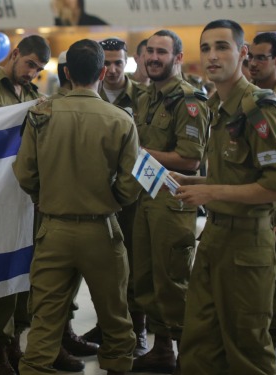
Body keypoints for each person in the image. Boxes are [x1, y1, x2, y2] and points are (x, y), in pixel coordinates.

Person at [13, 38, 140, 375]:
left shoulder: (40, 113)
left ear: (66, 72)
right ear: (102, 71)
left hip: (53, 229)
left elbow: (24, 172)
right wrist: (111, 201)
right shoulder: (120, 120)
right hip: (102, 230)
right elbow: (131, 183)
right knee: (115, 319)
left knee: (44, 320)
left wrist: (43, 194)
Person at [175, 19, 276, 375]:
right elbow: (236, 176)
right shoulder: (217, 108)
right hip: (214, 239)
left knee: (248, 352)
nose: (212, 56)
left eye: (222, 47)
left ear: (242, 53)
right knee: (198, 348)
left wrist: (211, 191)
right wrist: (193, 180)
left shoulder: (259, 108)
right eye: (206, 48)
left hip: (247, 243)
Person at [0, 34, 62, 374]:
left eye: (38, 69)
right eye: (30, 65)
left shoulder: (35, 96)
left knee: (24, 270)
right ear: (15, 53)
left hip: (27, 196)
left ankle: (13, 340)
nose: (33, 73)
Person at [129, 29, 209, 374]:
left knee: (173, 282)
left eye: (162, 52)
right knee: (146, 280)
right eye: (149, 52)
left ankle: (187, 356)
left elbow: (190, 159)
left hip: (174, 203)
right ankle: (162, 349)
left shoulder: (190, 100)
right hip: (146, 200)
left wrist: (141, 153)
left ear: (177, 58)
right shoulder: (147, 97)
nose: (153, 58)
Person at [82, 37, 148, 358]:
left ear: (127, 63)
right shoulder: (85, 93)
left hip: (130, 195)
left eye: (118, 63)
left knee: (133, 263)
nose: (112, 69)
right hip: (94, 196)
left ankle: (138, 328)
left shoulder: (143, 97)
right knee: (101, 266)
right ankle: (106, 324)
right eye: (106, 63)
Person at [249, 31, 276, 363]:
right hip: (255, 218)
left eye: (261, 58)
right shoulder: (249, 102)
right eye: (250, 57)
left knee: (274, 312)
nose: (253, 64)